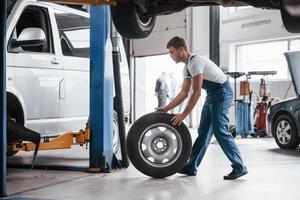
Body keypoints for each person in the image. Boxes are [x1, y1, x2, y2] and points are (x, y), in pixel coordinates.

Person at [156, 36, 248, 180]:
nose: (170, 56)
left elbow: (197, 92)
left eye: (172, 52)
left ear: (182, 49)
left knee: (220, 131)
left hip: (222, 93)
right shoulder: (186, 68)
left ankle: (240, 166)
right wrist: (167, 108)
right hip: (212, 95)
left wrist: (183, 115)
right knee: (203, 132)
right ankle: (192, 166)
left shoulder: (196, 63)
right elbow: (184, 93)